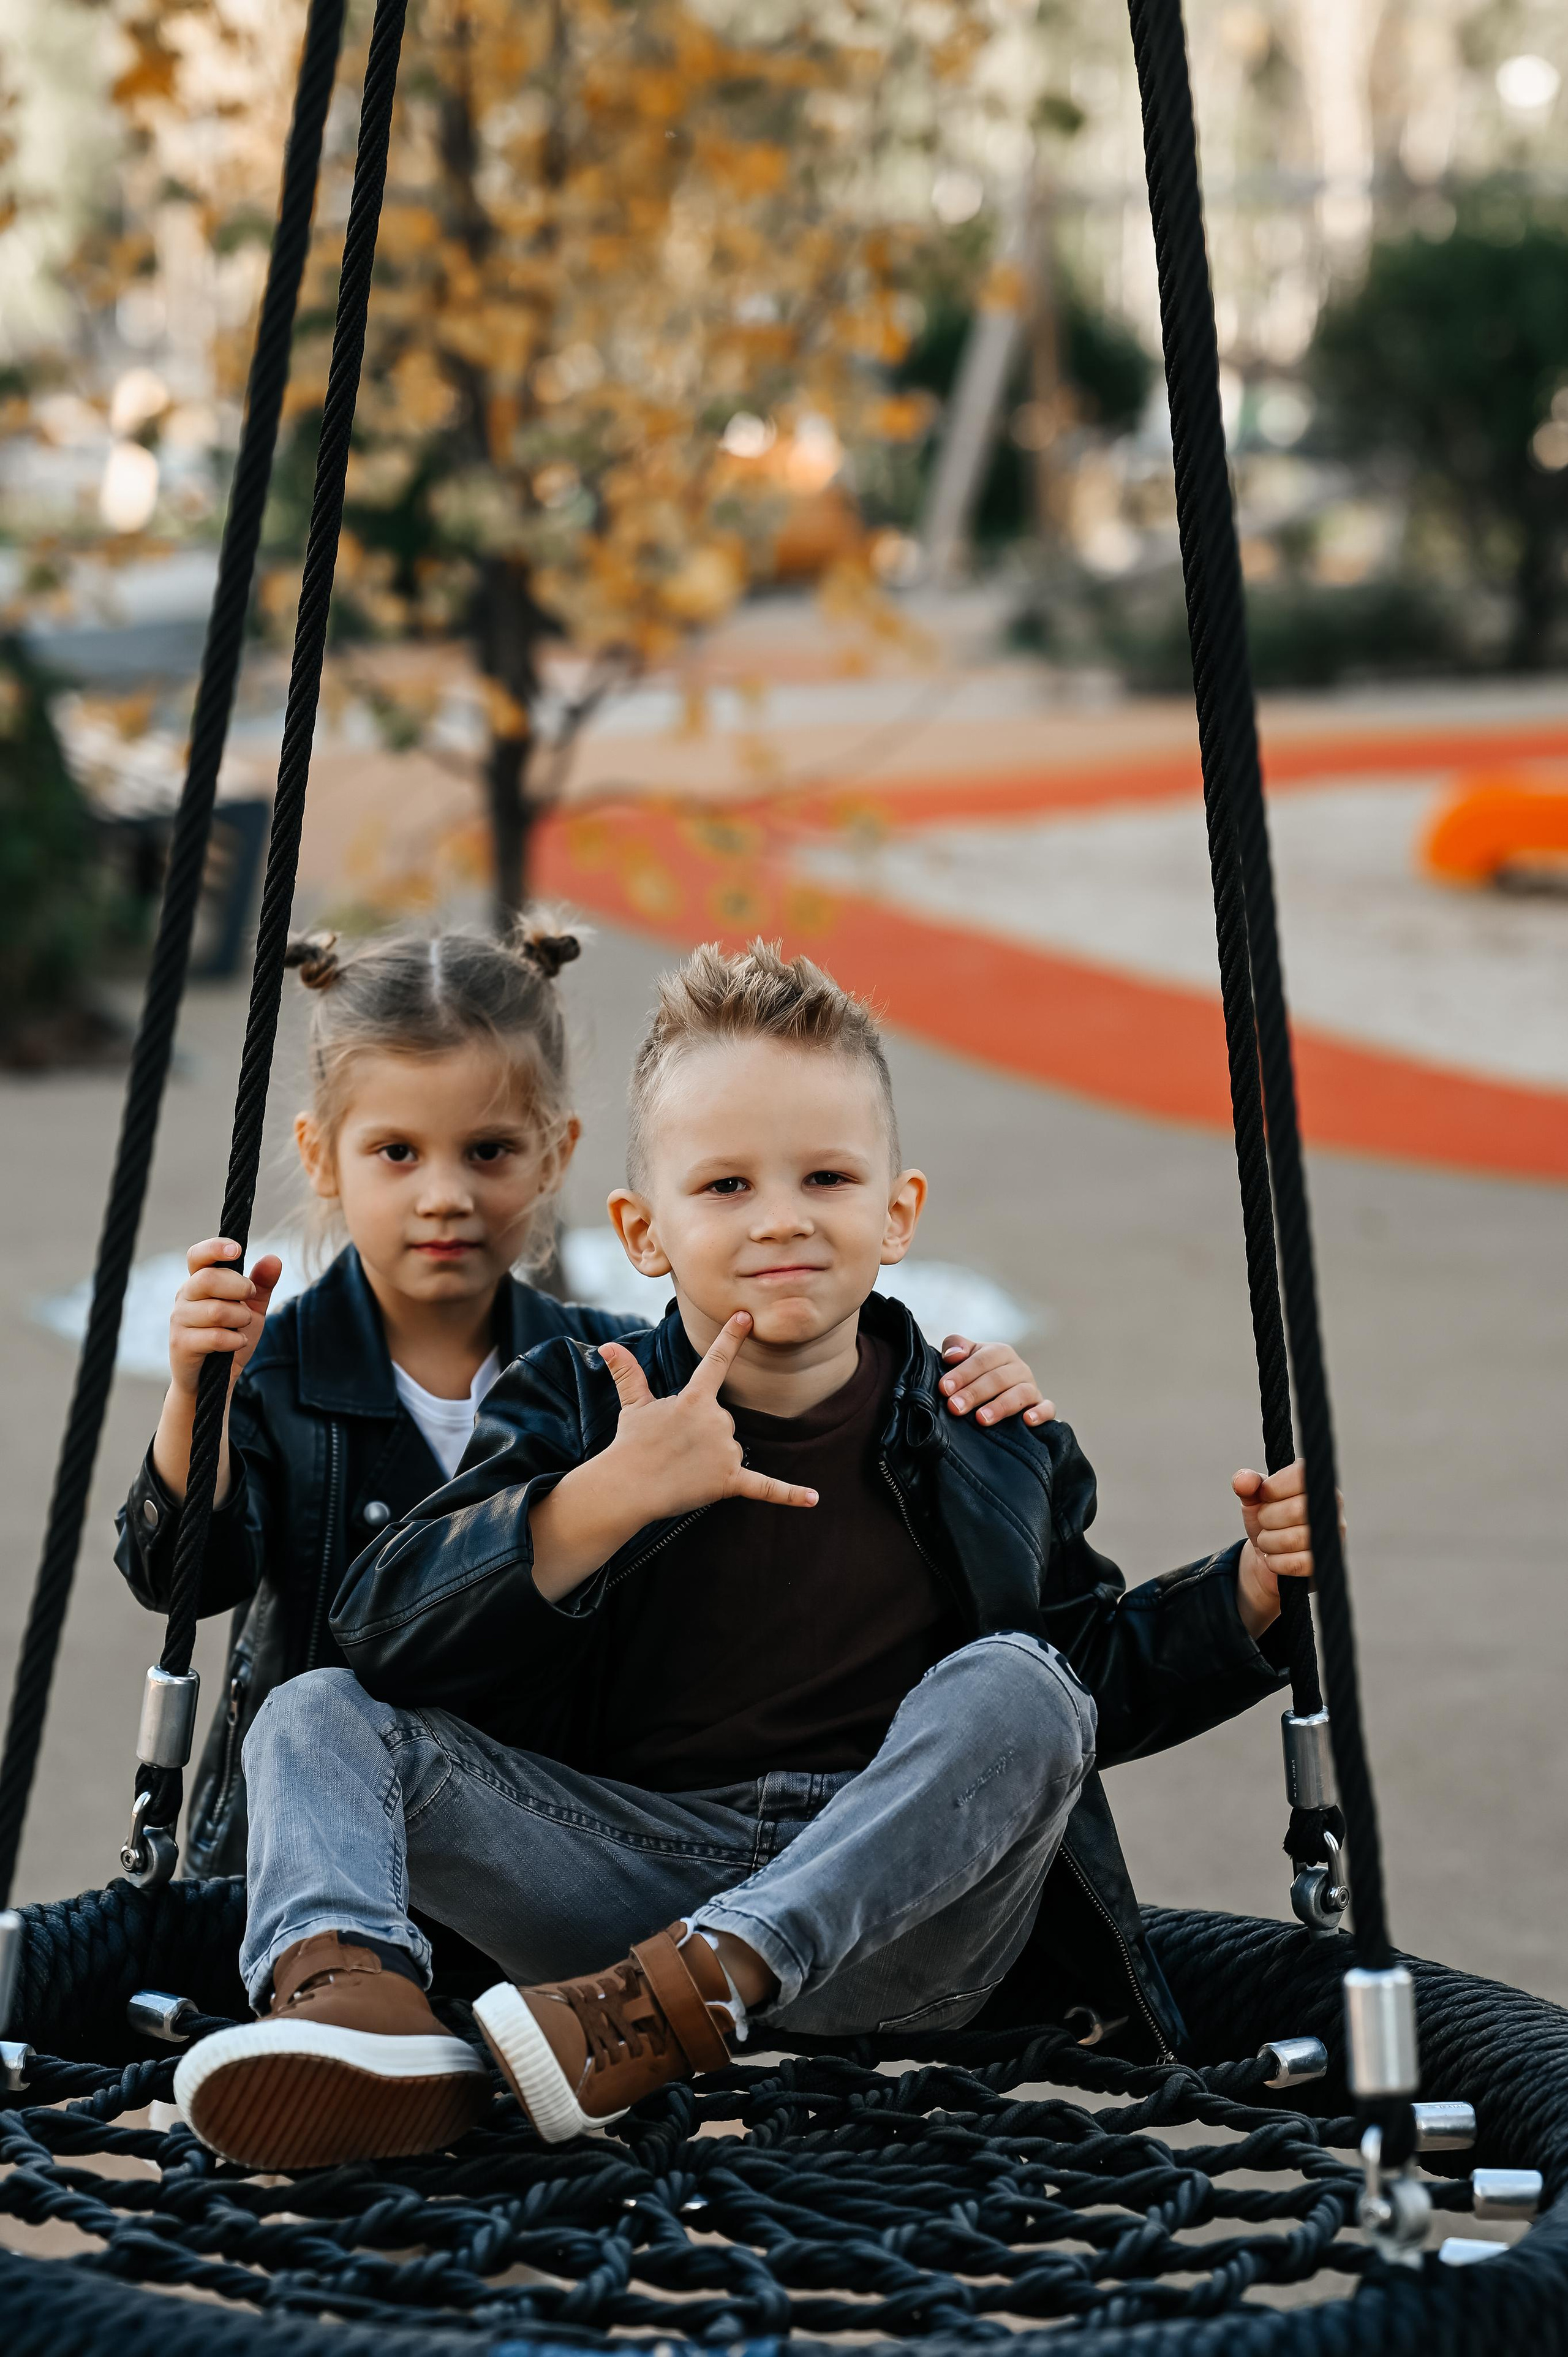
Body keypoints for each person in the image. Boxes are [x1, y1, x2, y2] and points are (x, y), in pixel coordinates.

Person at [172, 941, 1319, 2173]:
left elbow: (1091, 1683)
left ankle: (711, 1984)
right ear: (643, 1230)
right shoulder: (576, 1398)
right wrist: (595, 1500)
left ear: (895, 1213)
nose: (779, 1218)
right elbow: (383, 1630)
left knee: (1023, 1684)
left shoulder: (987, 1432)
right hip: (622, 1895)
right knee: (312, 1710)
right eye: (723, 1186)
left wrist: (1249, 1595)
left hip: (899, 1916)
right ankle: (353, 2007)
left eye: (824, 1176)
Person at [115, 924, 1046, 1880]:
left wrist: (959, 1387)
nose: (445, 1196)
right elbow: (185, 1577)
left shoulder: (611, 1374)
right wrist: (199, 1396)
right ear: (322, 1156)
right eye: (397, 1153)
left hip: (536, 1835)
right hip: (319, 1843)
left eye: (488, 1152)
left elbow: (783, 1464)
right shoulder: (284, 1368)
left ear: (556, 1154)